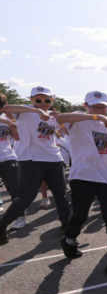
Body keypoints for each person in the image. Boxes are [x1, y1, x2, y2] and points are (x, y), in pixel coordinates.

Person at [56, 91, 107, 273]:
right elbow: (59, 118)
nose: (100, 109)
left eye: (103, 106)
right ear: (86, 105)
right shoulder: (78, 119)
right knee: (80, 215)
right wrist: (94, 115)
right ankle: (69, 239)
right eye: (95, 106)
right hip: (83, 176)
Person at [0, 86, 72, 245]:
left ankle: (68, 230)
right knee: (26, 197)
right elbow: (5, 107)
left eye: (47, 100)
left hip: (54, 159)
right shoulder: (24, 112)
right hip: (31, 160)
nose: (43, 103)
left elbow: (60, 132)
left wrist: (58, 117)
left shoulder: (52, 116)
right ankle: (2, 226)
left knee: (61, 195)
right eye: (38, 100)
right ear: (31, 100)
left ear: (51, 100)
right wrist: (36, 111)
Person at [0, 95, 22, 229]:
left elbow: (17, 137)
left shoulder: (8, 119)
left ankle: (19, 217)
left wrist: (11, 123)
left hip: (8, 157)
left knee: (15, 190)